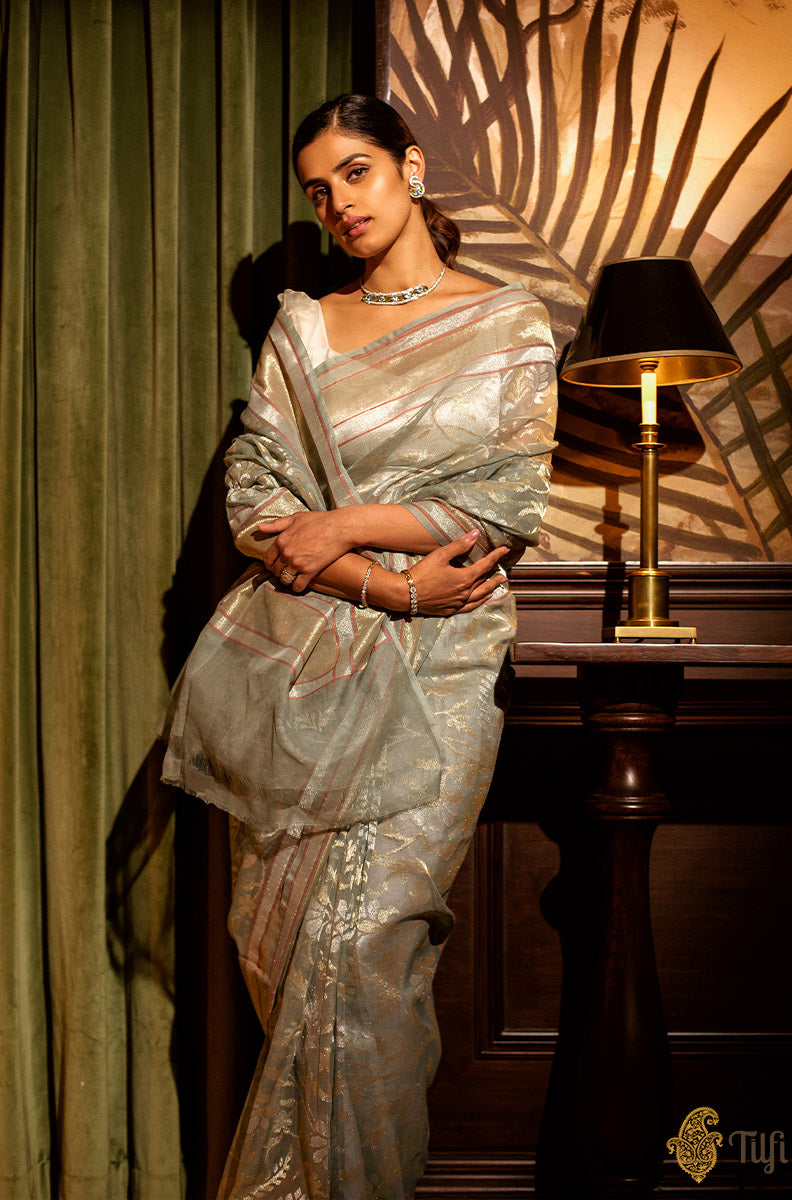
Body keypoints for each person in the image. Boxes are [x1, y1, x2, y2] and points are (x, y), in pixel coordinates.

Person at [160, 93, 557, 1200]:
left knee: (371, 940)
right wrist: (381, 579)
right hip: (305, 658)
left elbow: (509, 502)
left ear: (410, 168)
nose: (338, 203)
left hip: (448, 658)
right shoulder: (303, 331)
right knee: (284, 938)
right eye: (317, 191)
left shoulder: (508, 321)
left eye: (355, 173)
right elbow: (255, 503)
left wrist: (344, 525)